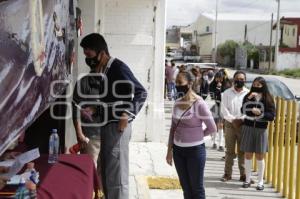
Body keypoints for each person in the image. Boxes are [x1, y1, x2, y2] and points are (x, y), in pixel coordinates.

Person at [77, 33, 147, 199]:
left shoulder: (118, 67)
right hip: (107, 126)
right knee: (107, 173)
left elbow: (141, 92)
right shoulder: (104, 71)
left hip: (117, 127)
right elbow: (113, 100)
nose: (87, 59)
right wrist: (94, 109)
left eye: (89, 55)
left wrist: (126, 115)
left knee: (117, 176)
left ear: (101, 53)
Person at [166, 71, 217, 199]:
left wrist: (198, 135)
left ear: (190, 84)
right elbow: (172, 128)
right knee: (186, 188)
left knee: (197, 189)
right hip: (178, 151)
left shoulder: (199, 103)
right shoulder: (177, 102)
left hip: (195, 151)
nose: (177, 85)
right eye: (176, 82)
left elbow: (212, 128)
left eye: (180, 83)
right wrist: (169, 151)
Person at [240, 77, 275, 190]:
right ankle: (247, 180)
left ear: (263, 86)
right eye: (255, 84)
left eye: (259, 85)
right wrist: (249, 99)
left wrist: (261, 113)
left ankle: (260, 182)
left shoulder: (269, 98)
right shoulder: (248, 96)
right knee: (248, 154)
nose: (256, 86)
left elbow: (271, 116)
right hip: (248, 126)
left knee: (260, 156)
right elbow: (243, 110)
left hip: (261, 129)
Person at [220, 71, 249, 182]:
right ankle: (227, 174)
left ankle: (243, 174)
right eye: (237, 78)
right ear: (233, 80)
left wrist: (241, 119)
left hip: (243, 125)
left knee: (243, 151)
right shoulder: (227, 93)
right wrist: (233, 120)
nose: (239, 81)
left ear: (245, 80)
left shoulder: (248, 93)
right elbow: (224, 109)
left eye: (242, 79)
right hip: (230, 124)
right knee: (230, 151)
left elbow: (249, 109)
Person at [209, 70, 231, 151]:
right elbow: (212, 95)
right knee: (214, 124)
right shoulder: (212, 85)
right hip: (216, 105)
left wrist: (221, 88)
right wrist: (217, 88)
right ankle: (214, 142)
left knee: (221, 125)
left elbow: (227, 95)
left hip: (224, 106)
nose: (219, 81)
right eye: (217, 79)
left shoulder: (227, 84)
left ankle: (221, 143)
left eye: (220, 79)